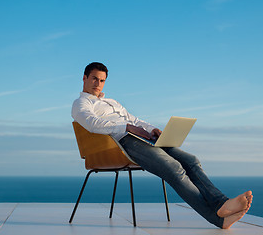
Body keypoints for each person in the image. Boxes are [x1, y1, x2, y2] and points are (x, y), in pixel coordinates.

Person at [71, 62, 253, 229]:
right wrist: (127, 127)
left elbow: (135, 119)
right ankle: (217, 216)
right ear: (85, 78)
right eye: (94, 78)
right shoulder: (81, 103)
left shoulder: (112, 102)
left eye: (102, 80)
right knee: (173, 167)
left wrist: (152, 129)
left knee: (191, 160)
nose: (98, 83)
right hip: (122, 143)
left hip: (142, 138)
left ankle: (221, 205)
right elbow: (91, 123)